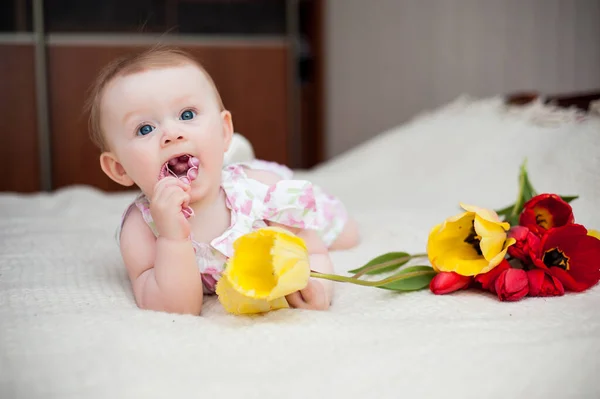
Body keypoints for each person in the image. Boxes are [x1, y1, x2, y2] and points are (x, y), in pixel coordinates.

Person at [85, 46, 360, 316]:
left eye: (187, 115)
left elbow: (312, 251)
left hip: (256, 181)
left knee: (346, 235)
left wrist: (318, 287)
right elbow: (178, 308)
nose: (172, 133)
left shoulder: (262, 193)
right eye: (145, 129)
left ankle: (240, 156)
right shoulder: (140, 229)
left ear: (224, 130)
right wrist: (172, 238)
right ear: (119, 168)